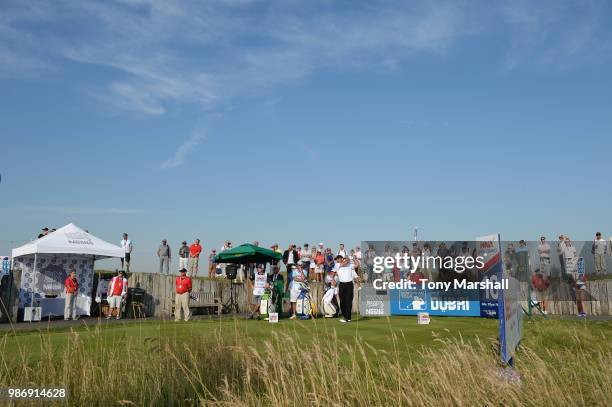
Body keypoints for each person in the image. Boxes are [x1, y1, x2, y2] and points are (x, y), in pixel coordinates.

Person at [335, 256, 359, 323]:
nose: (338, 260)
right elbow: (344, 263)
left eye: (339, 258)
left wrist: (354, 259)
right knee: (342, 302)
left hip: (349, 284)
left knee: (348, 301)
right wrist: (348, 259)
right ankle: (345, 316)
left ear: (342, 259)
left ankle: (347, 318)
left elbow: (357, 265)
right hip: (342, 285)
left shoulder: (350, 265)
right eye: (337, 259)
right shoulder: (337, 265)